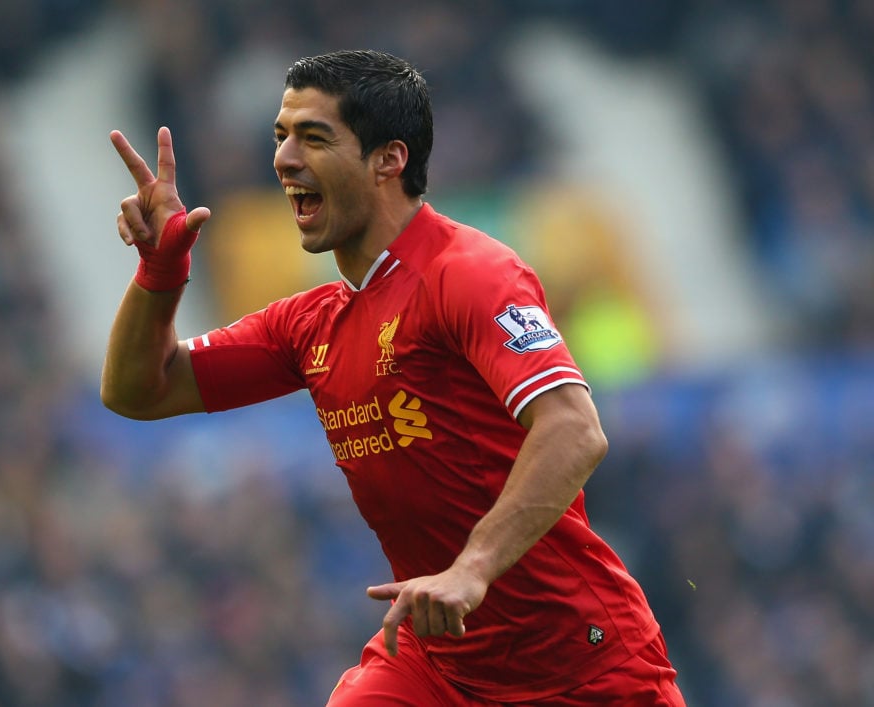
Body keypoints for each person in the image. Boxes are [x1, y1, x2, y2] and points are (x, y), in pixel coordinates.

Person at [102, 49, 685, 706]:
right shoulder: (310, 324)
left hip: (583, 667)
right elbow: (136, 390)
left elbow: (575, 429)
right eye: (280, 136)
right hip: (437, 665)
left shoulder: (468, 273)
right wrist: (158, 273)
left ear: (389, 159)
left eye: (313, 137)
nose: (284, 159)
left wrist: (472, 566)